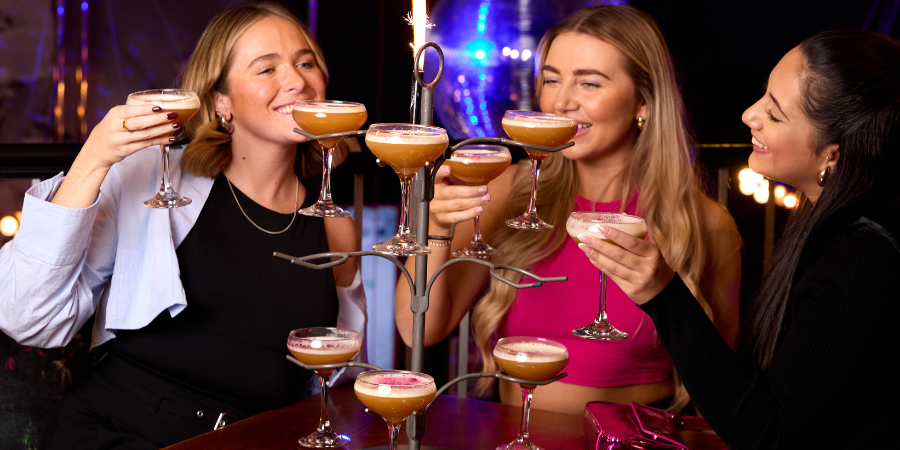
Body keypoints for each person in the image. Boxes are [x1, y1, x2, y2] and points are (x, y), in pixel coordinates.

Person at [0, 3, 365, 448]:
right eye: (267, 69)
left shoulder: (335, 229)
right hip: (120, 432)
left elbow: (339, 374)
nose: (296, 81)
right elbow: (26, 318)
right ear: (221, 101)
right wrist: (94, 158)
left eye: (306, 63)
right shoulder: (151, 181)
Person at [395, 5, 741, 415]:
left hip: (633, 439)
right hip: (516, 435)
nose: (561, 102)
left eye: (589, 83)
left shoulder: (704, 224)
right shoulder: (508, 192)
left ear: (643, 102)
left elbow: (724, 393)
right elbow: (419, 331)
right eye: (551, 79)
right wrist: (434, 225)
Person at [580, 29, 900, 448]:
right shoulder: (831, 225)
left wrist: (663, 295)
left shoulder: (859, 259)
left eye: (775, 113)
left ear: (832, 153)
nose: (750, 114)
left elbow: (767, 434)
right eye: (763, 95)